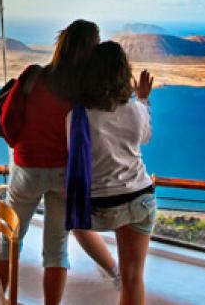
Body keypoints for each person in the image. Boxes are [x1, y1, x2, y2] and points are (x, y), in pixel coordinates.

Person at [0, 19, 118, 305]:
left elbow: (6, 121)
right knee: (56, 250)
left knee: (10, 240)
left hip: (28, 169)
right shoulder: (87, 91)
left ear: (61, 43)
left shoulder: (33, 76)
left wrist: (21, 147)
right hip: (67, 176)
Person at [67, 41, 155, 305]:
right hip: (140, 199)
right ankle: (118, 273)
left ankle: (110, 268)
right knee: (134, 279)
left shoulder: (78, 115)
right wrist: (143, 99)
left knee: (75, 224)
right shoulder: (136, 111)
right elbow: (146, 137)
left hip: (99, 206)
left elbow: (75, 153)